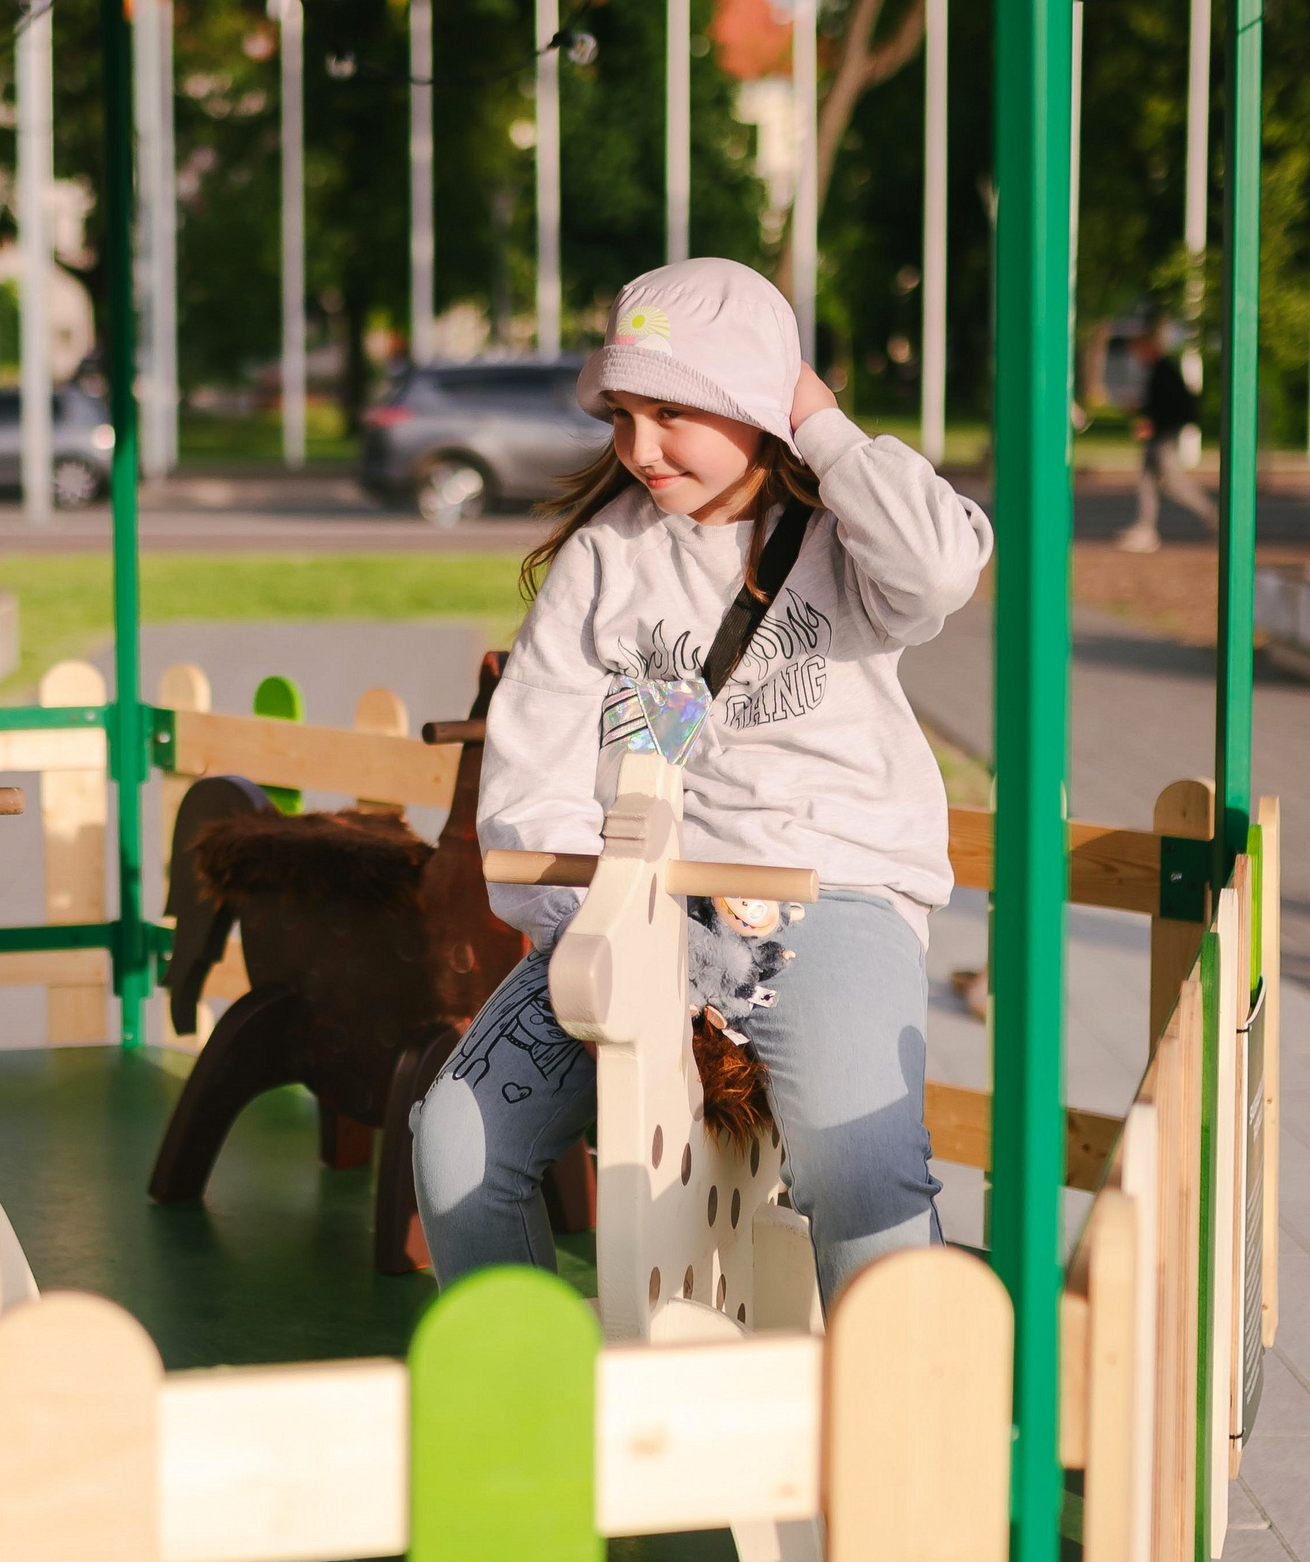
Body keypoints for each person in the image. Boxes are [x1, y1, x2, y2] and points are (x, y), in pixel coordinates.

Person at [411, 258, 994, 1309]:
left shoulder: (844, 541)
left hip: (829, 897)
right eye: (622, 413)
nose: (638, 447)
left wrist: (815, 417)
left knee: (857, 1173)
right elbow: (532, 776)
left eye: (672, 411)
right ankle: (531, 1423)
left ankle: (903, 1440)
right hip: (638, 906)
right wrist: (597, 934)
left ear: (753, 402)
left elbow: (941, 567)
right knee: (454, 1139)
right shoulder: (603, 561)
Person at [1117, 323, 1215, 553]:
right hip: (1161, 433)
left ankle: (1213, 516)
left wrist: (1152, 422)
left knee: (1173, 482)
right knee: (1146, 481)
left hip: (1163, 436)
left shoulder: (1163, 371)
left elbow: (1168, 405)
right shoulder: (1160, 370)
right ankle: (1145, 528)